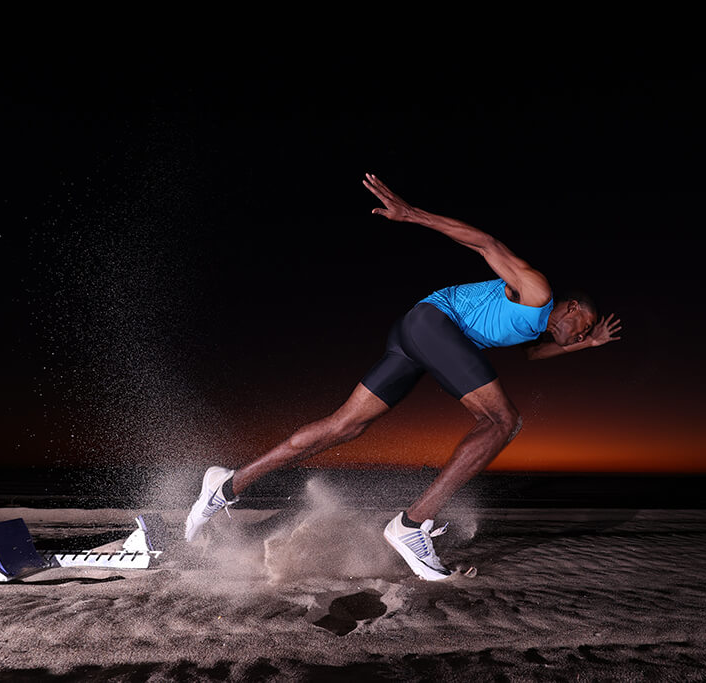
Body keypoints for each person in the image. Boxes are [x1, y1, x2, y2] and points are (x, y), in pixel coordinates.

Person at [184, 173, 622, 580]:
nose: (581, 335)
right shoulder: (538, 291)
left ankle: (227, 485)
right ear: (572, 307)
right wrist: (411, 214)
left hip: (415, 334)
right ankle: (412, 525)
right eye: (584, 327)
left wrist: (587, 347)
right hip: (434, 325)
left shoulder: (535, 326)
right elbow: (486, 243)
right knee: (502, 420)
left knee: (344, 426)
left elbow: (536, 354)